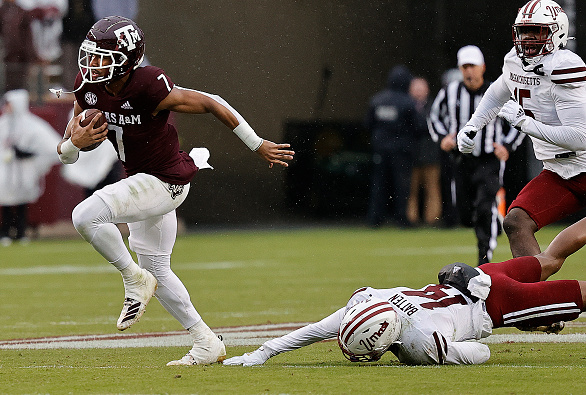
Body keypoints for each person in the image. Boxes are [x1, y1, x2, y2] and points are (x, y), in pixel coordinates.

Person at [55, 16, 294, 366]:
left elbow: (212, 101)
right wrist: (74, 144)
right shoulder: (88, 87)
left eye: (102, 57)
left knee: (85, 216)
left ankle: (131, 277)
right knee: (158, 269)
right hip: (142, 181)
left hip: (165, 181)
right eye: (90, 55)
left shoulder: (149, 84)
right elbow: (66, 151)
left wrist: (256, 144)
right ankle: (206, 342)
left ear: (126, 59)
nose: (92, 65)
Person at [224, 216, 586, 366]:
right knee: (549, 259)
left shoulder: (421, 344)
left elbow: (483, 352)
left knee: (580, 296)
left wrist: (444, 353)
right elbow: (316, 330)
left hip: (497, 302)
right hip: (475, 276)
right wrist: (261, 354)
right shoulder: (367, 302)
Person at [457, 0, 586, 259]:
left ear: (556, 32)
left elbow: (581, 138)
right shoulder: (515, 61)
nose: (527, 39)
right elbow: (497, 92)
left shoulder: (564, 67)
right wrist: (473, 125)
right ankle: (531, 295)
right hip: (559, 171)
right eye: (523, 31)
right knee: (515, 222)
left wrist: (526, 124)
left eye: (536, 31)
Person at [429, 45, 524, 265]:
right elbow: (434, 117)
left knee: (483, 206)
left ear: (483, 67)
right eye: (464, 67)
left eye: (472, 66)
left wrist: (507, 147)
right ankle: (493, 221)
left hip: (489, 159)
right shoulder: (450, 92)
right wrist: (443, 137)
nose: (469, 71)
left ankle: (484, 260)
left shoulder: (497, 91)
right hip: (461, 159)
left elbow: (519, 120)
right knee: (464, 213)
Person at [0, 89, 60, 245]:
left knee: (22, 203)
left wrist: (28, 153)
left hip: (24, 170)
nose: (7, 107)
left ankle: (20, 232)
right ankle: (5, 232)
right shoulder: (1, 124)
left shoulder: (32, 125)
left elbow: (51, 146)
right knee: (5, 201)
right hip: (5, 169)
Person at [365, 64, 417, 228]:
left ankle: (375, 218)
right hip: (401, 150)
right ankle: (401, 218)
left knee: (379, 184)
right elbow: (418, 126)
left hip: (380, 149)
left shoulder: (377, 100)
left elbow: (367, 124)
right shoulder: (408, 102)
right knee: (401, 185)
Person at [406, 77, 441, 226]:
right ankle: (410, 219)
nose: (419, 92)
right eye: (416, 89)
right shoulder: (406, 106)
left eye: (421, 89)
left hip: (431, 155)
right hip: (411, 156)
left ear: (427, 90)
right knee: (410, 190)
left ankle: (432, 219)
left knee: (432, 189)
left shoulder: (435, 105)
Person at [0, 0, 38, 92]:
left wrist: (31, 57)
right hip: (2, 60)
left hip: (19, 59)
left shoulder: (22, 13)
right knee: (2, 88)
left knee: (20, 90)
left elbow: (28, 38)